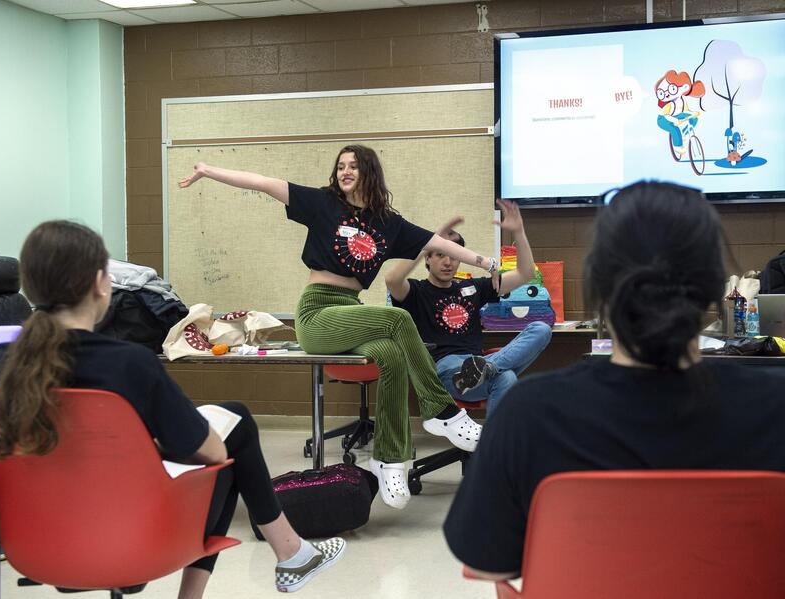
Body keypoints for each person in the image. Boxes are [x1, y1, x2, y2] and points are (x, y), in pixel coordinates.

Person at [443, 181, 785, 580]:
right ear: (715, 288)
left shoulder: (529, 413)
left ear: (598, 287)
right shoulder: (775, 408)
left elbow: (488, 566)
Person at [0, 221, 345, 598]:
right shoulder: (130, 363)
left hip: (35, 546)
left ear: (29, 287)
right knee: (232, 433)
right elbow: (212, 452)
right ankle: (288, 554)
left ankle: (293, 553)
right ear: (100, 284)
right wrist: (150, 447)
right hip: (135, 540)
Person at [179, 145, 502, 510]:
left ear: (369, 172)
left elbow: (439, 244)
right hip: (318, 313)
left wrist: (487, 261)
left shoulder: (387, 222)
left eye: (353, 166)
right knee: (398, 317)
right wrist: (209, 170)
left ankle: (389, 459)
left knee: (392, 355)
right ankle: (441, 411)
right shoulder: (322, 203)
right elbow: (264, 183)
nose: (345, 172)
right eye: (340, 166)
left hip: (351, 311)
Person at [386, 203, 551, 418]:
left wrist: (518, 232)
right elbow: (392, 279)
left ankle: (486, 369)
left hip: (476, 363)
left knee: (541, 329)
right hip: (446, 371)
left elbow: (526, 273)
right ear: (427, 258)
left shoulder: (474, 288)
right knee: (507, 376)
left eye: (453, 256)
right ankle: (495, 446)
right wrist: (430, 240)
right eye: (440, 254)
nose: (448, 262)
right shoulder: (416, 291)